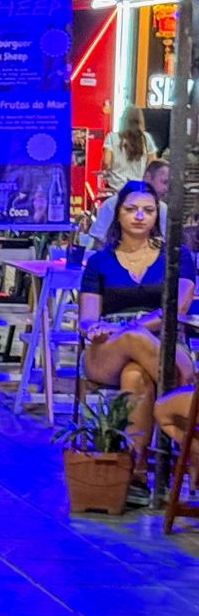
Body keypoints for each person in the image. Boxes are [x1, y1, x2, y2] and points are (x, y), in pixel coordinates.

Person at [80, 180, 195, 506]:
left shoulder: (178, 256)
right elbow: (87, 318)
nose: (140, 216)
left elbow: (177, 307)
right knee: (131, 339)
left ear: (157, 216)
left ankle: (136, 473)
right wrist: (96, 330)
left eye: (148, 210)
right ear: (118, 213)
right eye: (131, 209)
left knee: (136, 375)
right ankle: (187, 393)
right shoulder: (99, 261)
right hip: (109, 351)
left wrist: (133, 327)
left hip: (163, 340)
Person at [88, 158, 169, 248]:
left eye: (149, 211)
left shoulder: (163, 209)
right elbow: (99, 243)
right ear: (148, 177)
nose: (167, 188)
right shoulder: (112, 204)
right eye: (164, 182)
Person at [102, 107, 158, 198]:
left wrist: (106, 172)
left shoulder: (111, 137)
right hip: (138, 189)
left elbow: (106, 162)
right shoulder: (146, 138)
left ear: (123, 120)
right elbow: (153, 164)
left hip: (116, 188)